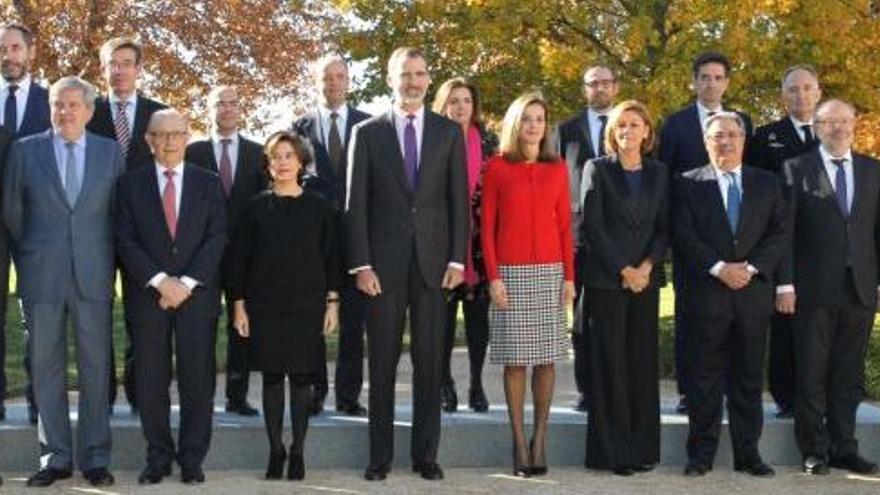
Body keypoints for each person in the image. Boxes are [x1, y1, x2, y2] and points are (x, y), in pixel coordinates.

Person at [346, 46, 468, 482]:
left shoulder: (448, 132)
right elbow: (355, 205)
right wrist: (361, 265)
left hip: (435, 266)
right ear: (390, 77)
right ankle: (379, 457)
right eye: (405, 74)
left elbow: (458, 202)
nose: (413, 82)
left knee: (430, 364)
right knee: (380, 364)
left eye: (419, 74)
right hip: (381, 268)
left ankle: (425, 455)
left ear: (428, 79)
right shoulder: (367, 132)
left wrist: (458, 259)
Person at [3, 76, 123, 487]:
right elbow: (13, 213)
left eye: (73, 105)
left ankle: (94, 458)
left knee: (95, 368)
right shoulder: (25, 150)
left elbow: (118, 216)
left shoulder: (110, 154)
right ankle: (54, 457)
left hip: (93, 274)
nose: (65, 112)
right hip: (42, 276)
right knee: (45, 368)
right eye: (58, 104)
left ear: (90, 110)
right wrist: (33, 256)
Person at [115, 109, 226, 485]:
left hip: (197, 298)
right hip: (149, 298)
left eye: (176, 134)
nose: (168, 141)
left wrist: (186, 284)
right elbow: (125, 241)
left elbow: (216, 238)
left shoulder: (208, 183)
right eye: (160, 135)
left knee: (198, 381)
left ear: (187, 137)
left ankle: (192, 459)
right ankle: (158, 458)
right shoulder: (129, 185)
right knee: (150, 382)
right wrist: (163, 282)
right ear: (148, 140)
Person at [673, 112, 786, 477]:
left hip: (752, 295)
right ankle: (701, 455)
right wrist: (720, 268)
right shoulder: (688, 183)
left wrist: (749, 269)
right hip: (707, 295)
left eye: (733, 135)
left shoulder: (767, 183)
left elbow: (779, 232)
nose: (726, 141)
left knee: (748, 378)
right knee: (703, 379)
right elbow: (684, 235)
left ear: (744, 140)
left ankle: (748, 454)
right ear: (707, 142)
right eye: (718, 135)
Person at [230, 131, 340, 481]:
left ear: (301, 162)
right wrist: (239, 305)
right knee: (273, 378)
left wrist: (332, 303)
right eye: (275, 156)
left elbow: (332, 260)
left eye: (289, 156)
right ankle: (275, 449)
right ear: (268, 163)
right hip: (265, 307)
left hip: (307, 305)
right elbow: (238, 262)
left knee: (303, 378)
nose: (282, 162)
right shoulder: (254, 208)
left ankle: (298, 452)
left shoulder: (320, 207)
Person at [779, 99, 880, 476]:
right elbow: (785, 234)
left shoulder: (873, 170)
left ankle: (844, 447)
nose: (838, 128)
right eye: (829, 122)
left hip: (860, 290)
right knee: (811, 372)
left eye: (844, 121)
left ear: (855, 124)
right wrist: (784, 284)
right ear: (817, 128)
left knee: (848, 376)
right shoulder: (794, 169)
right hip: (812, 290)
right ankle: (814, 450)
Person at [481, 91, 574, 477]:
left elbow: (566, 227)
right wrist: (494, 277)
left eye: (540, 118)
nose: (534, 125)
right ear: (515, 124)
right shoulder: (498, 167)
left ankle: (541, 440)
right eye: (527, 118)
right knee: (516, 360)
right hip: (512, 274)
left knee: (547, 361)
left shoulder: (557, 169)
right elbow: (486, 227)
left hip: (550, 271)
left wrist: (569, 276)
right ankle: (519, 443)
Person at [659, 51, 753, 414]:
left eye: (718, 78)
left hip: (736, 241)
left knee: (734, 320)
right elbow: (665, 182)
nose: (711, 84)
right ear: (694, 82)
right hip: (692, 244)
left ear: (727, 82)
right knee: (691, 320)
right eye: (704, 77)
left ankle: (730, 391)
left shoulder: (744, 122)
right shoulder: (677, 124)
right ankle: (690, 392)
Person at [581, 100, 668, 475]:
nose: (628, 131)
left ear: (647, 131)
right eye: (621, 126)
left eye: (636, 124)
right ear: (612, 133)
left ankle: (642, 449)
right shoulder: (596, 169)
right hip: (607, 282)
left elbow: (665, 227)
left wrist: (646, 267)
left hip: (646, 283)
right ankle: (612, 453)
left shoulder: (661, 173)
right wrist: (624, 269)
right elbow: (593, 228)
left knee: (641, 365)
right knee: (610, 366)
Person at [87, 36, 168, 415]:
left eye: (125, 62)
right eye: (111, 63)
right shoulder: (88, 112)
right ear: (102, 69)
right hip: (95, 229)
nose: (118, 70)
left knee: (143, 314)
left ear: (138, 68)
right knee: (97, 315)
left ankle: (140, 393)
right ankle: (102, 395)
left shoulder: (159, 115)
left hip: (144, 232)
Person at [292, 54, 370, 416]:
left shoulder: (368, 125)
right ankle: (316, 392)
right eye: (327, 77)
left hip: (358, 235)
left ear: (348, 80)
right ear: (317, 82)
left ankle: (348, 395)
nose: (334, 83)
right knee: (313, 316)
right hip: (314, 238)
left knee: (354, 319)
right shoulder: (299, 128)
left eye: (340, 76)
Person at [185, 85, 267, 417]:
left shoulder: (257, 152)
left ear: (241, 109)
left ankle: (237, 395)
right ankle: (202, 396)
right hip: (202, 252)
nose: (228, 109)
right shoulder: (194, 152)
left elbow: (263, 206)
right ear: (210, 109)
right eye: (221, 103)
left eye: (234, 103)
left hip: (244, 255)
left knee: (241, 325)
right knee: (202, 325)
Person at [747, 65, 821, 419]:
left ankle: (821, 394)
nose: (801, 95)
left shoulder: (833, 133)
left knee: (821, 322)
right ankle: (786, 396)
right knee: (785, 319)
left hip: (824, 246)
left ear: (818, 93)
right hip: (780, 242)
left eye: (807, 88)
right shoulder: (765, 137)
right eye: (793, 89)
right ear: (783, 95)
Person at [431, 77, 497, 413]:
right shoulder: (432, 138)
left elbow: (497, 190)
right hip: (440, 243)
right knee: (441, 321)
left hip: (478, 244)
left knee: (477, 322)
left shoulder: (488, 140)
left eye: (466, 100)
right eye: (453, 100)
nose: (460, 107)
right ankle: (444, 383)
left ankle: (476, 383)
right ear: (443, 105)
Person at [557, 64, 619, 412]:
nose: (599, 89)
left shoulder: (631, 126)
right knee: (582, 316)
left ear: (615, 86)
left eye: (605, 82)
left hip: (621, 234)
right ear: (585, 89)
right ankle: (587, 388)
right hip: (579, 237)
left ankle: (616, 384)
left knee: (616, 315)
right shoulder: (566, 130)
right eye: (592, 83)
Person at [0, 22, 51, 425]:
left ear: (30, 53)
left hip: (37, 224)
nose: (8, 55)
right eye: (3, 49)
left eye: (15, 48)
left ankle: (40, 402)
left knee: (37, 313)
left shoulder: (52, 101)